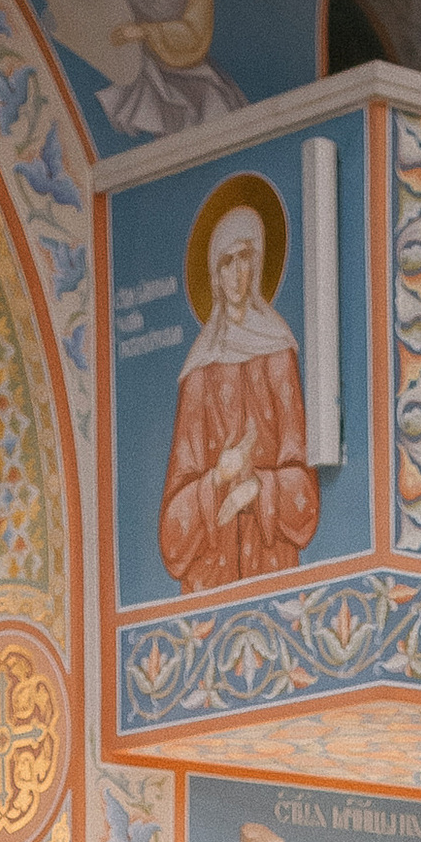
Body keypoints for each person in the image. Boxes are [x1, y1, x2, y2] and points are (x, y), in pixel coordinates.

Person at [157, 197, 318, 587]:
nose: (236, 273)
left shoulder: (279, 353)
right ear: (214, 275)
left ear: (258, 263)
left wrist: (257, 488)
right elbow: (171, 533)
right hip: (210, 579)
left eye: (244, 258)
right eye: (226, 262)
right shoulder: (199, 372)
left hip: (272, 566)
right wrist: (217, 479)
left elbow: (305, 495)